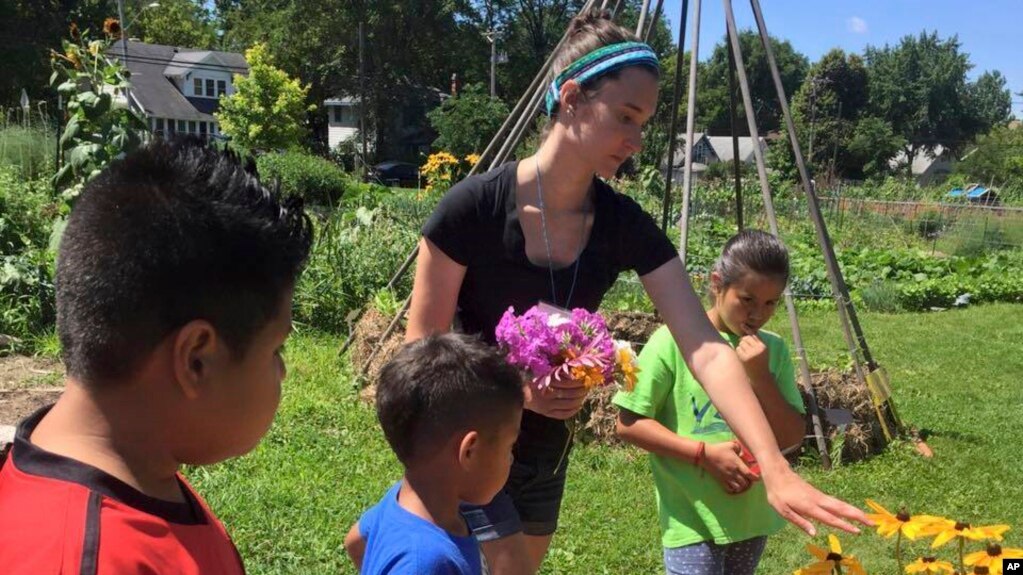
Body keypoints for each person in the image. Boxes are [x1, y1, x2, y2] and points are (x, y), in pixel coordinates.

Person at [402, 9, 868, 574]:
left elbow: (703, 345)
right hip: (462, 441)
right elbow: (421, 352)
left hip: (544, 450)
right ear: (571, 98)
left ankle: (377, 532)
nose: (636, 140)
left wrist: (775, 464)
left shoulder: (623, 223)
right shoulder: (470, 210)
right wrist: (519, 391)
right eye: (625, 116)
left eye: (643, 122)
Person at [0, 138, 313, 573]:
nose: (282, 371)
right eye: (276, 349)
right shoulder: (80, 558)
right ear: (196, 360)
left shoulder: (145, 471)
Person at [614, 230, 807, 575]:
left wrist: (760, 376)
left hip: (752, 518)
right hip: (692, 516)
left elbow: (792, 436)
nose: (757, 314)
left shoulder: (772, 351)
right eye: (746, 299)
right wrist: (704, 454)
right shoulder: (674, 342)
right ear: (717, 283)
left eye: (770, 303)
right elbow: (627, 423)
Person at [344, 334, 524, 574]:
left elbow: (355, 541)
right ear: (469, 452)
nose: (510, 460)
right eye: (509, 448)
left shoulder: (401, 500)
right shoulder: (424, 562)